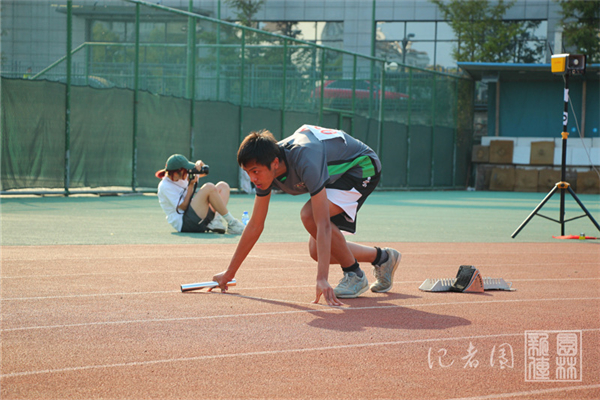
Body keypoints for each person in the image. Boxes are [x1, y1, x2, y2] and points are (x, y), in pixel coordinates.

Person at [211, 125, 401, 306]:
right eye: (248, 172)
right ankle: (383, 258)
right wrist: (229, 272)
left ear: (275, 163)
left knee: (309, 216)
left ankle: (354, 274)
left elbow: (323, 223)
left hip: (361, 167)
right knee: (316, 251)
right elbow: (255, 225)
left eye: (255, 172)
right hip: (333, 174)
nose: (252, 178)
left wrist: (322, 278)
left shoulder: (306, 159)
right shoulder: (266, 169)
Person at [156, 154, 245, 235]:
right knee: (209, 187)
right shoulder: (165, 186)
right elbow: (183, 207)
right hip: (185, 223)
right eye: (185, 170)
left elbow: (205, 172)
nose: (188, 172)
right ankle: (232, 223)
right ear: (176, 172)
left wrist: (200, 164)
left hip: (196, 216)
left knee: (223, 186)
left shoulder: (181, 176)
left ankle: (215, 221)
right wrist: (191, 186)